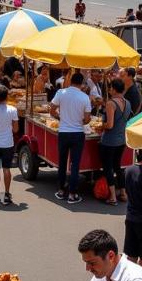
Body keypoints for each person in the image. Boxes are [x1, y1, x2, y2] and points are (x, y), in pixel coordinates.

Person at [49, 72, 92, 204]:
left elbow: (52, 110)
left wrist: (60, 117)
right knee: (75, 164)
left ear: (71, 81)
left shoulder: (61, 93)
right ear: (82, 84)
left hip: (63, 132)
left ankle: (61, 190)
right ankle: (72, 194)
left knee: (62, 163)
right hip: (77, 133)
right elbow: (86, 119)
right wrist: (82, 121)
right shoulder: (85, 97)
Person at [99, 78, 132, 205]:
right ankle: (123, 193)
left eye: (110, 87)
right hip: (121, 140)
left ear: (113, 89)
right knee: (118, 167)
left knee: (108, 167)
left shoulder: (111, 103)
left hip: (109, 141)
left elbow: (110, 124)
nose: (109, 90)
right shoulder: (127, 103)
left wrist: (101, 126)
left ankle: (112, 196)